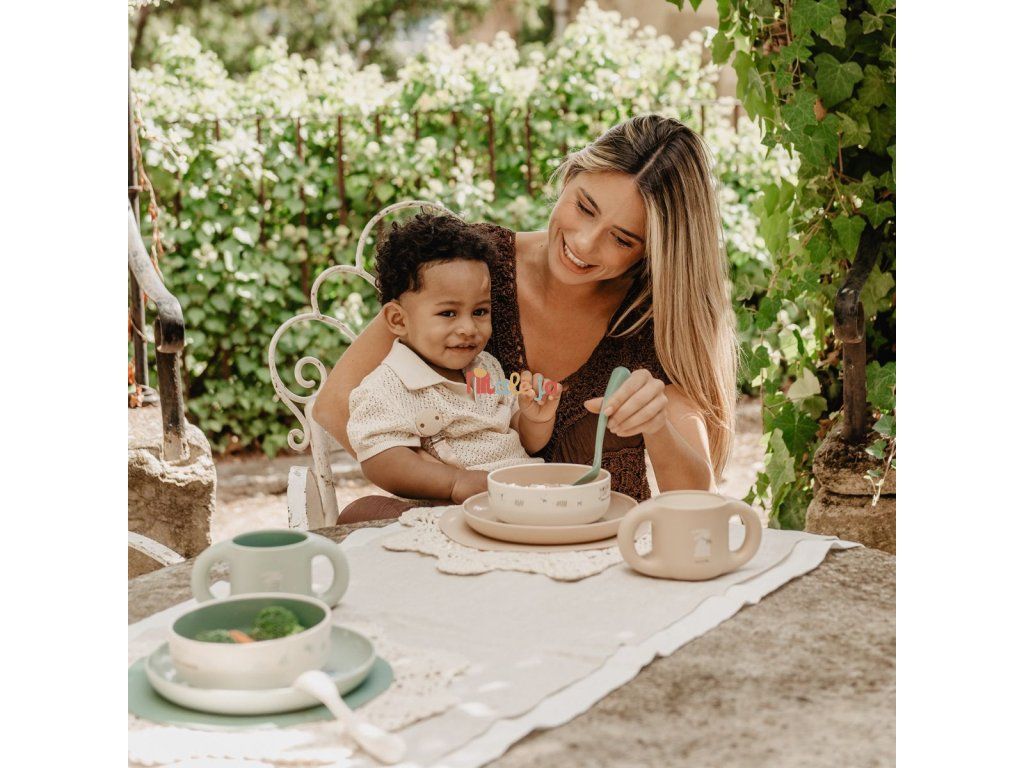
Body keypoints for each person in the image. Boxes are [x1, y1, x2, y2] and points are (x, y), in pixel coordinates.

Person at [315, 114, 737, 523]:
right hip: (467, 540)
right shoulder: (473, 270)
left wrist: (657, 426)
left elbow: (697, 500)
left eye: (622, 239)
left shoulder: (655, 321)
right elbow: (337, 403)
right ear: (569, 175)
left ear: (652, 251)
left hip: (596, 552)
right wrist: (454, 488)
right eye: (584, 207)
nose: (584, 244)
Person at [346, 213, 562, 506]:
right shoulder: (387, 386)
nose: (468, 328)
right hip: (455, 505)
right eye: (448, 313)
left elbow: (524, 439)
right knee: (362, 509)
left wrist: (535, 418)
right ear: (398, 319)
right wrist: (454, 483)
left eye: (480, 312)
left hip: (521, 490)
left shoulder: (487, 368)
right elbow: (380, 458)